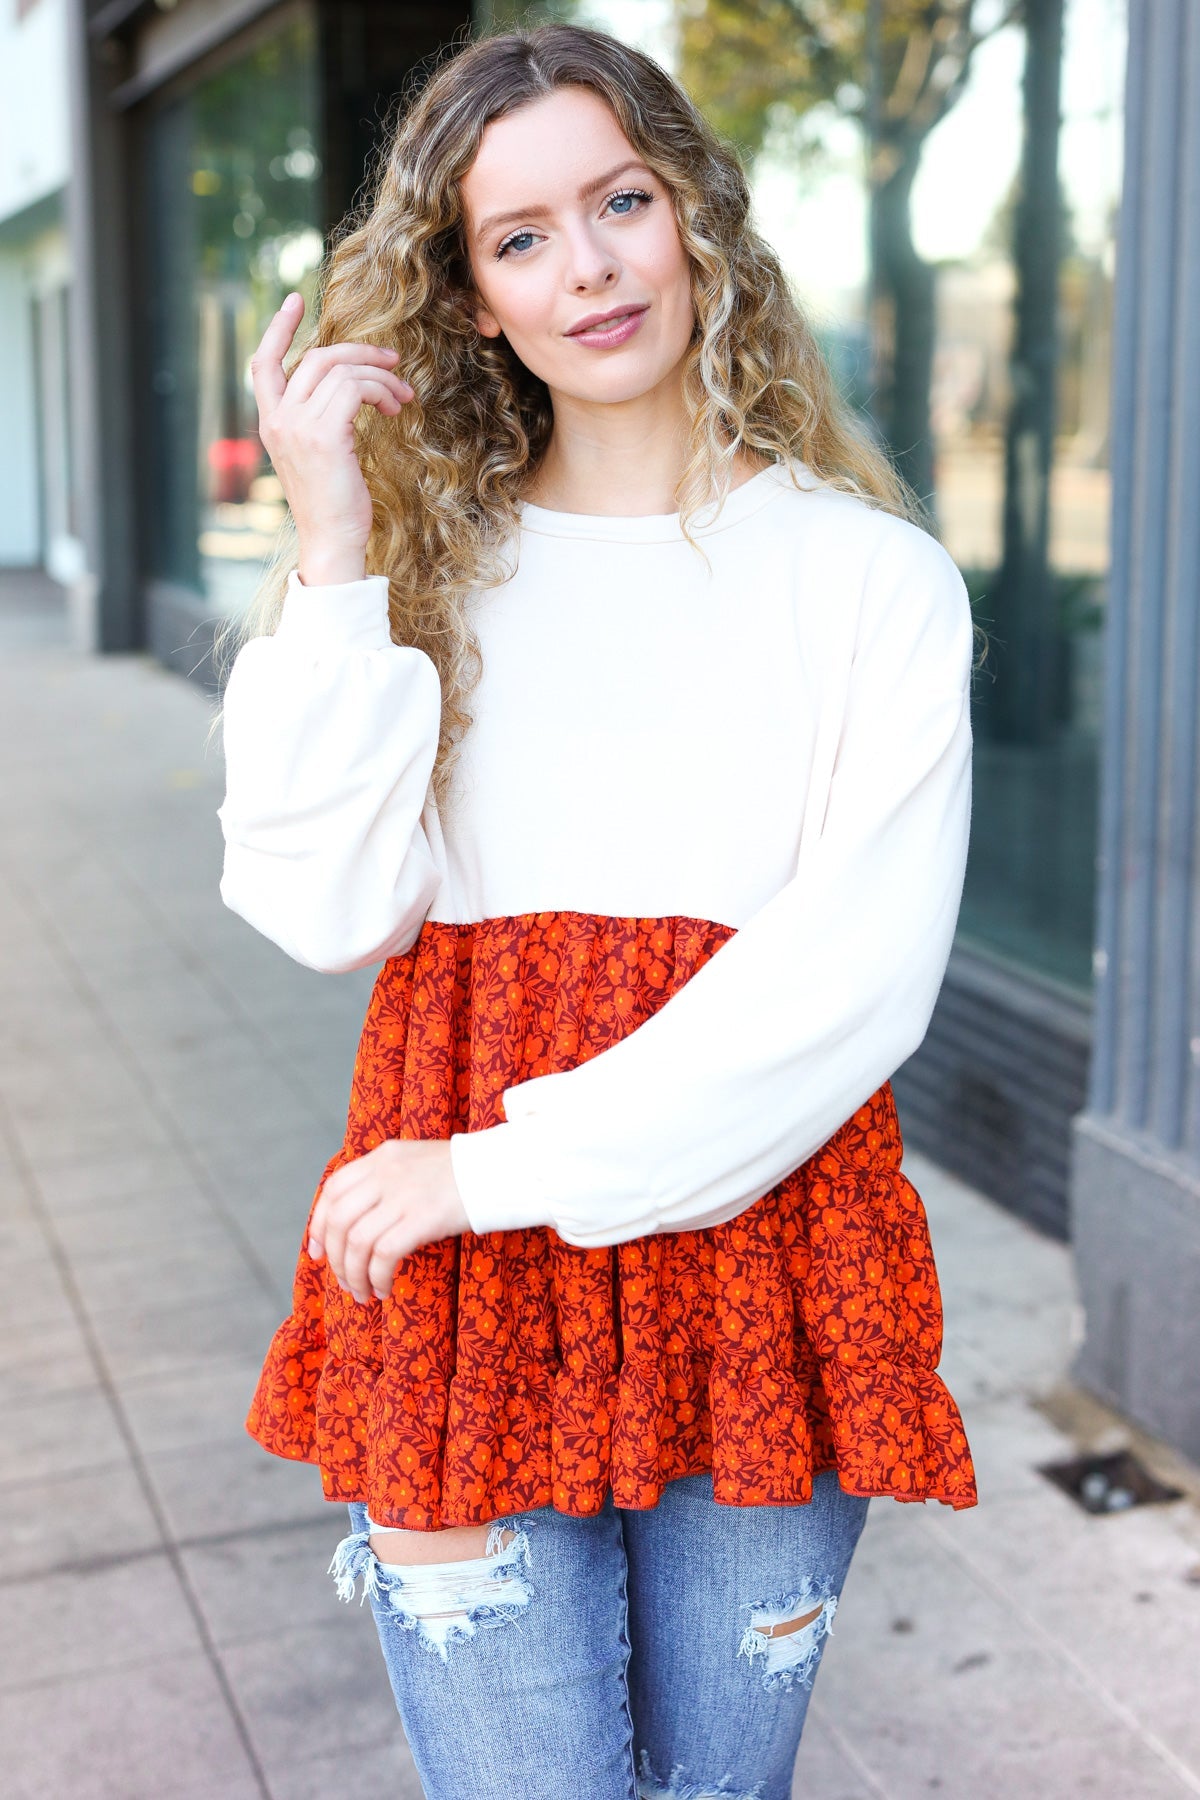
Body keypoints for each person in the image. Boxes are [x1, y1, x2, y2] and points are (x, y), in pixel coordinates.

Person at [213, 20, 982, 1800]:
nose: (591, 267)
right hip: (468, 1296)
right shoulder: (428, 579)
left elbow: (849, 987)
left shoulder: (870, 581)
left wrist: (495, 1168)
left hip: (755, 1258)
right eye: (522, 236)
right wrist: (330, 544)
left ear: (695, 216)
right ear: (473, 297)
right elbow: (323, 905)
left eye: (621, 202)